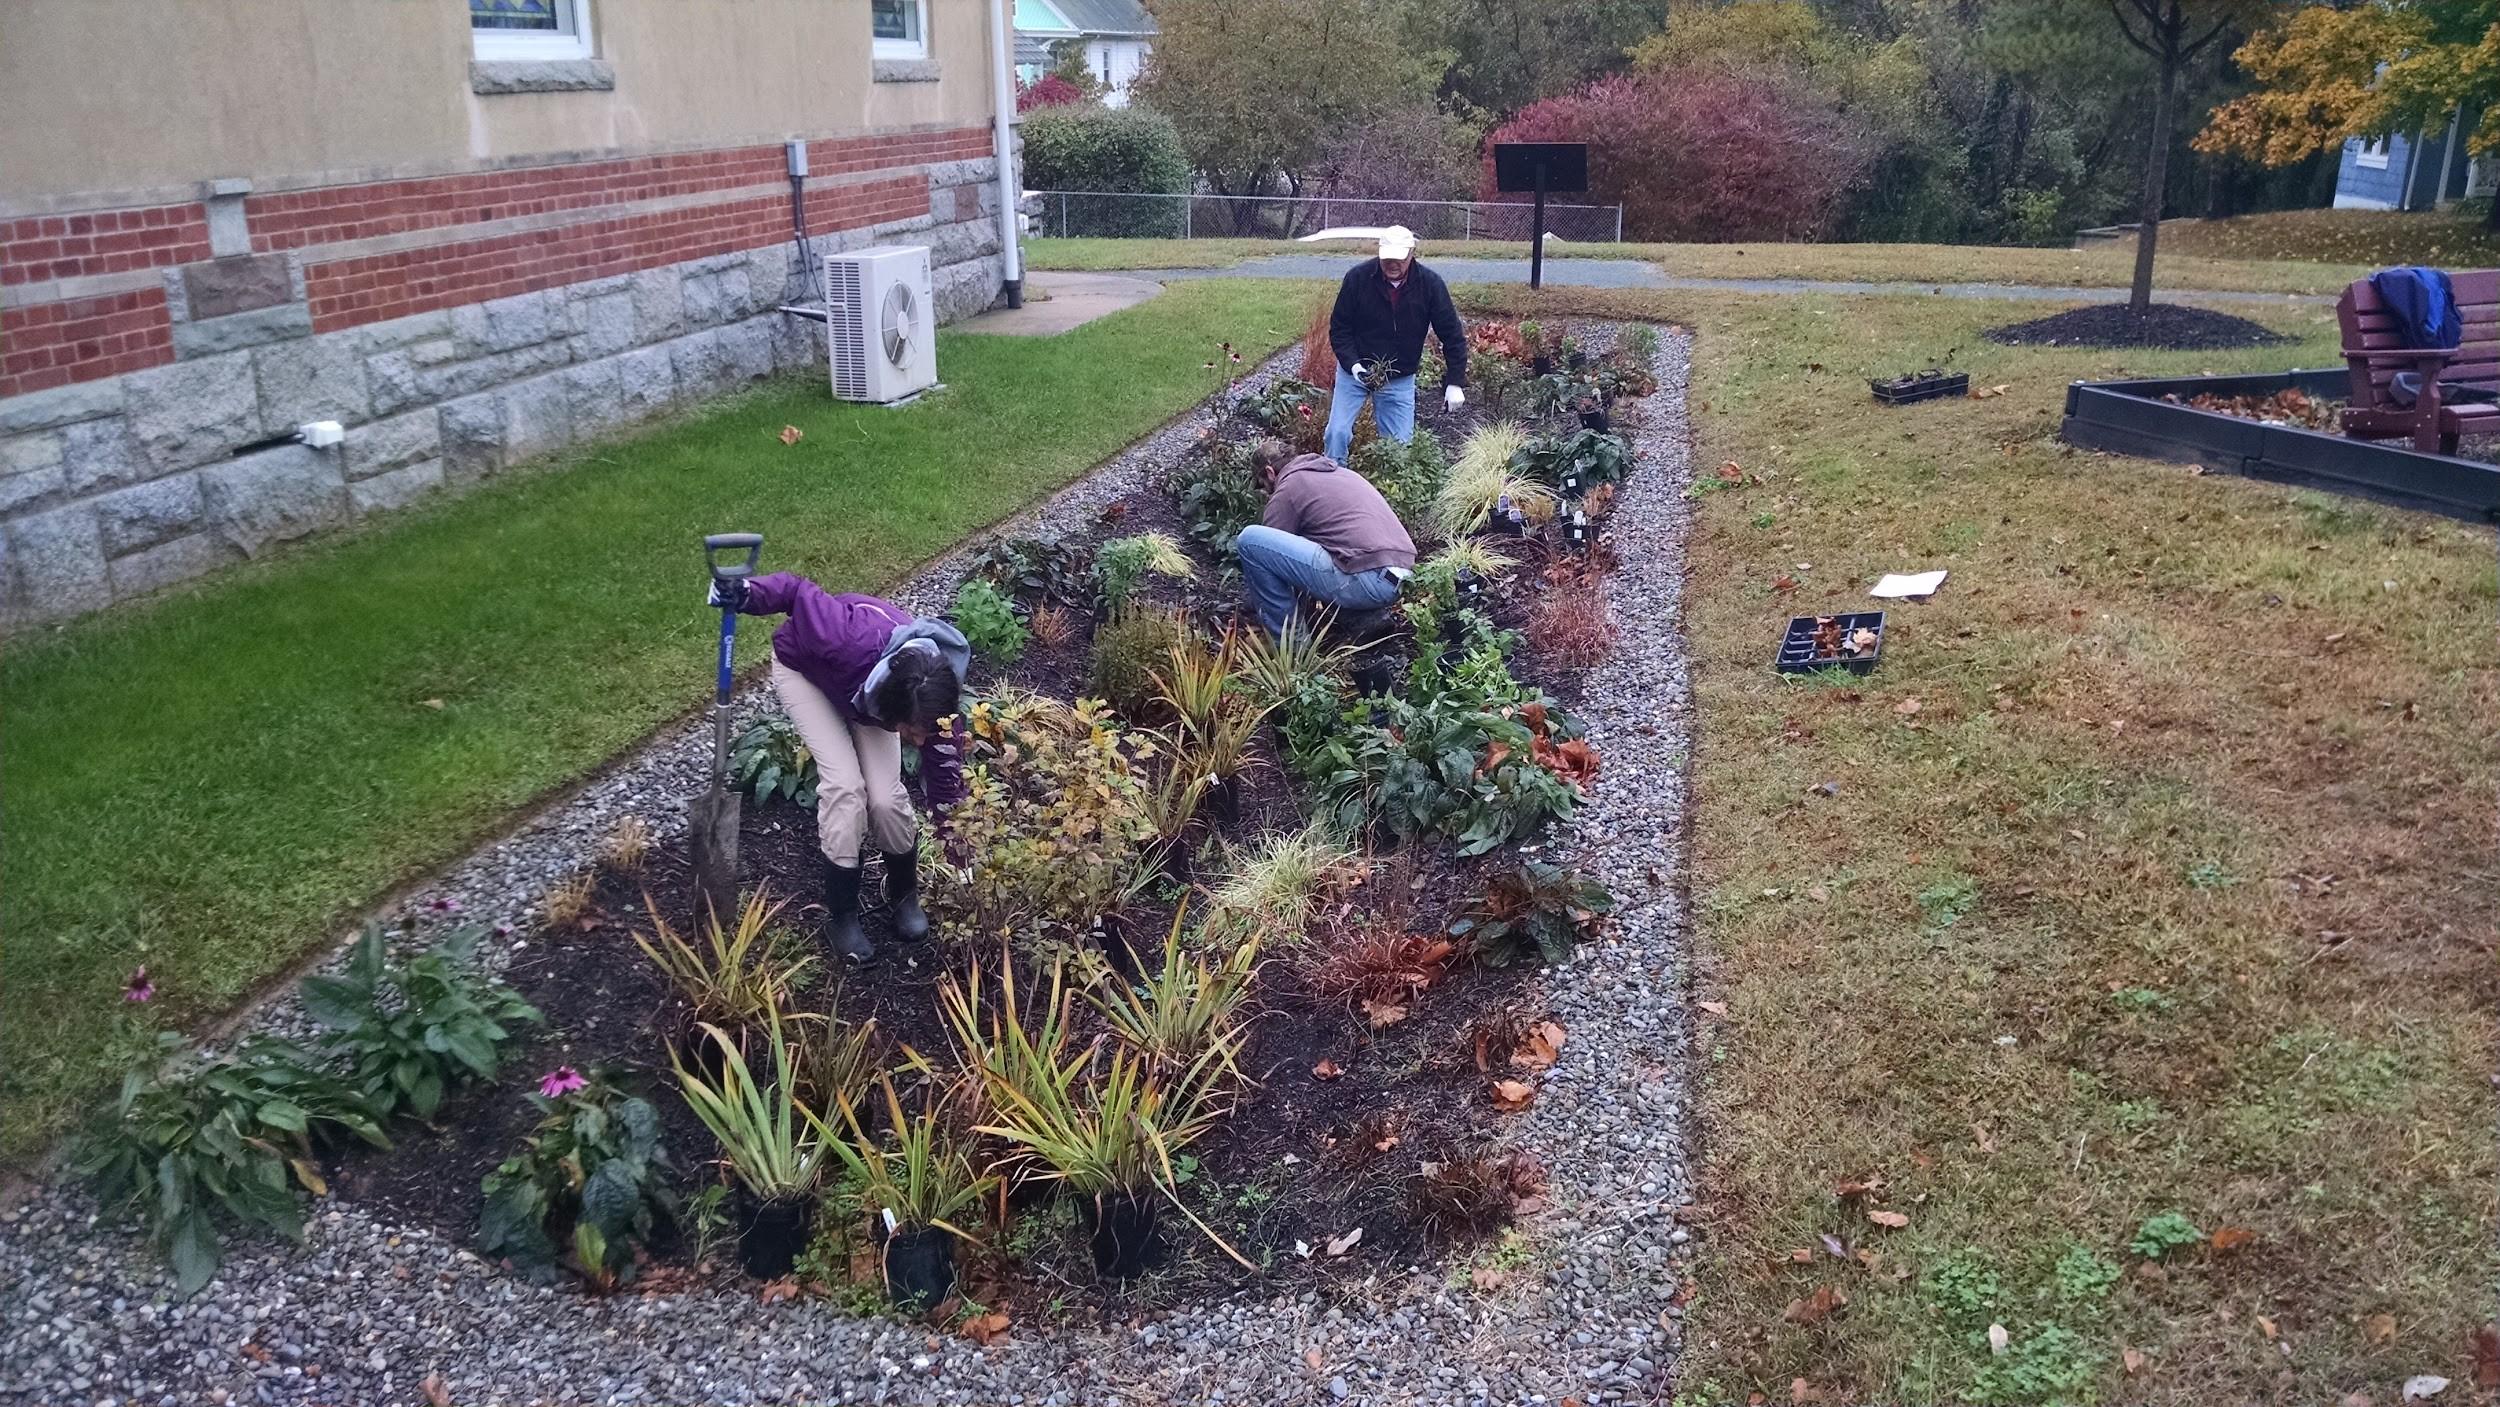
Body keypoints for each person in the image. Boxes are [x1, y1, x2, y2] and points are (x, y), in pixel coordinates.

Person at [706, 572, 968, 964]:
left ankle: (904, 896)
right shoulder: (840, 636)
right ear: (895, 712)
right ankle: (843, 916)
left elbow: (945, 781)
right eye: (912, 732)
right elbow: (797, 591)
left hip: (868, 693)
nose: (919, 740)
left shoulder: (935, 701)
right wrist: (745, 593)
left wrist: (959, 851)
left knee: (884, 796)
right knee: (845, 786)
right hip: (807, 673)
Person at [1235, 438, 1415, 637]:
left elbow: (1273, 560)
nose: (1266, 492)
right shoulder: (1340, 474)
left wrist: (1252, 603)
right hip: (1400, 578)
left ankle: (1291, 648)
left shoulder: (1289, 488)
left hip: (1367, 580)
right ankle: (1362, 619)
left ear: (1270, 472)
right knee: (1327, 550)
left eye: (1263, 485)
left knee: (1250, 541)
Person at [1324, 225, 1469, 463]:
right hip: (1356, 372)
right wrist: (1354, 366)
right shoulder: (1358, 279)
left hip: (1399, 377)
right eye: (1387, 257)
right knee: (1336, 433)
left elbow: (1452, 335)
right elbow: (1340, 329)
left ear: (1412, 253)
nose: (1393, 263)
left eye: (1399, 258)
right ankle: (1334, 483)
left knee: (1400, 451)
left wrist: (1455, 382)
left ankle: (1389, 496)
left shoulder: (1430, 285)